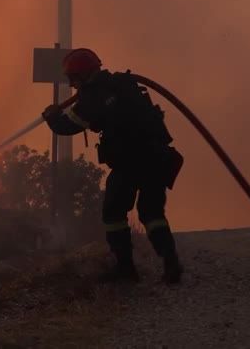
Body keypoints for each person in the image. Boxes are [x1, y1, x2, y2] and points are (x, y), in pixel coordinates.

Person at [42, 48, 185, 284]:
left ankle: (126, 270)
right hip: (156, 157)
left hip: (130, 161)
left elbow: (68, 126)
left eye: (73, 79)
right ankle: (171, 263)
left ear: (83, 74)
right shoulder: (122, 83)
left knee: (113, 214)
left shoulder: (93, 96)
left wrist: (52, 117)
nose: (72, 85)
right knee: (152, 213)